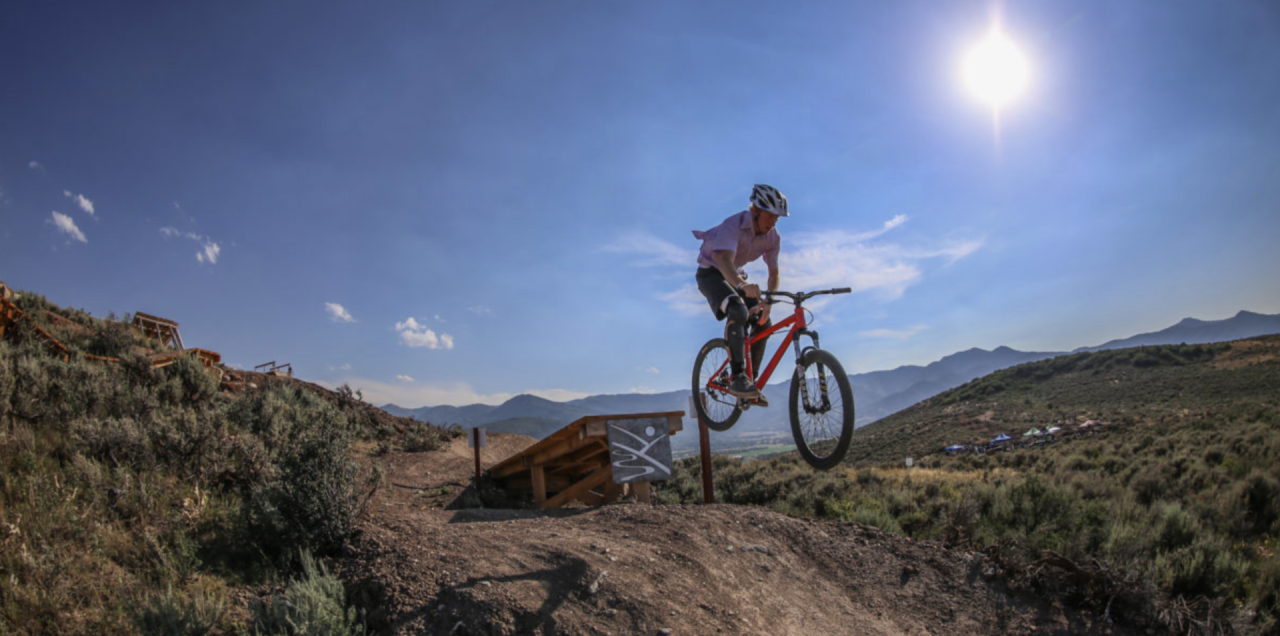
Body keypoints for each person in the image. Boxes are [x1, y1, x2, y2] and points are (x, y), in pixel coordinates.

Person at [692, 184, 789, 401]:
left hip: (735, 275)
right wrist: (741, 286)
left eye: (778, 218)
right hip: (711, 273)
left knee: (764, 321)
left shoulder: (773, 238)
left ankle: (749, 384)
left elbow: (773, 273)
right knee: (737, 310)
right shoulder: (733, 225)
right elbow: (723, 260)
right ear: (755, 211)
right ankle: (738, 376)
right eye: (770, 216)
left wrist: (769, 301)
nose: (773, 222)